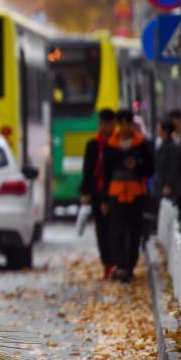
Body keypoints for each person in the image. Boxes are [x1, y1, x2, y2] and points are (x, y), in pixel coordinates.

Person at [101, 109, 154, 283]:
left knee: (134, 232)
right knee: (117, 232)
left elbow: (150, 169)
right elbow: (106, 174)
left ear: (132, 124)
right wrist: (104, 199)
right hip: (116, 196)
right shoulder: (111, 146)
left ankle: (130, 266)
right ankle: (121, 266)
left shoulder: (141, 144)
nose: (124, 127)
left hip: (136, 195)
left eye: (127, 123)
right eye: (121, 123)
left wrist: (136, 166)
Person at [80, 108, 116, 279]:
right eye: (102, 124)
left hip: (116, 193)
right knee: (102, 229)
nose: (104, 127)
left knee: (117, 229)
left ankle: (118, 262)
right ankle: (108, 263)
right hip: (98, 192)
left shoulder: (118, 143)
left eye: (108, 124)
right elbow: (87, 170)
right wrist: (86, 191)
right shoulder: (93, 144)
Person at [153, 118, 181, 215]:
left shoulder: (171, 147)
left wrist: (168, 185)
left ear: (165, 131)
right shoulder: (162, 145)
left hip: (169, 188)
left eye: (159, 128)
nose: (157, 130)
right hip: (160, 185)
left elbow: (173, 168)